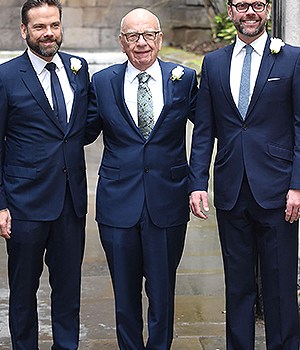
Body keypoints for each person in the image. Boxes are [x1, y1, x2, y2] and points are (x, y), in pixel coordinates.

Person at [189, 0, 300, 349]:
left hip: (279, 190)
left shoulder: (292, 59)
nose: (248, 12)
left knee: (280, 285)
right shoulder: (214, 63)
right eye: (241, 5)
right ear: (230, 10)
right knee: (237, 286)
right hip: (231, 190)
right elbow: (204, 129)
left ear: (267, 9)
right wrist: (197, 184)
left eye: (256, 4)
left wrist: (297, 185)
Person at [87, 8, 198, 350]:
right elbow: (82, 131)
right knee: (124, 291)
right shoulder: (102, 82)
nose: (141, 43)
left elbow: (210, 127)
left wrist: (199, 183)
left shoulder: (185, 78)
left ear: (160, 39)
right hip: (118, 204)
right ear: (121, 42)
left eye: (149, 35)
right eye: (133, 36)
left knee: (163, 292)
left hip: (167, 201)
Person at [0, 0, 91, 349]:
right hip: (25, 203)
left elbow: (84, 127)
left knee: (68, 288)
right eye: (39, 27)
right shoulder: (7, 77)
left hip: (71, 201)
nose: (48, 33)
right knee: (23, 291)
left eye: (54, 25)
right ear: (24, 31)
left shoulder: (77, 70)